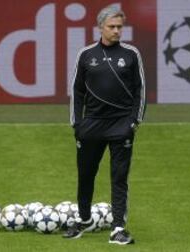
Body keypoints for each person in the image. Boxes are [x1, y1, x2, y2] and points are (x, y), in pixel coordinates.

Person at [63, 5, 146, 245]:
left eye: (120, 27)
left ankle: (118, 228)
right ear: (100, 27)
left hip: (121, 126)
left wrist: (134, 121)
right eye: (112, 27)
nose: (117, 31)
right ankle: (84, 219)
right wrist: (77, 124)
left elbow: (140, 90)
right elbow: (76, 91)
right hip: (91, 126)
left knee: (119, 178)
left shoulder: (131, 54)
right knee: (86, 175)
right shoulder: (86, 55)